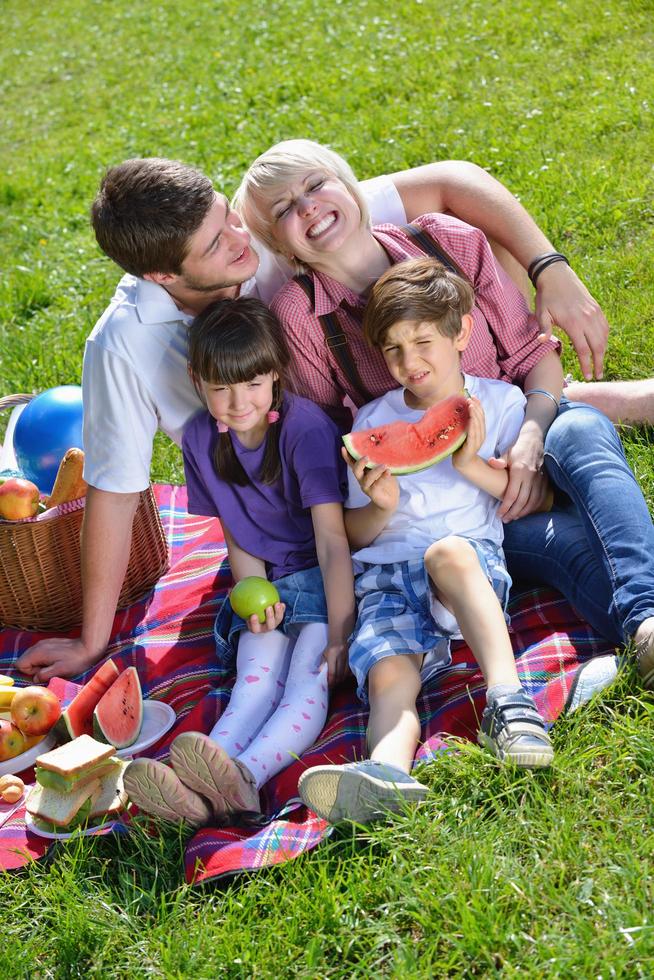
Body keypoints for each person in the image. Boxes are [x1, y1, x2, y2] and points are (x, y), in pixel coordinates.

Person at [13, 150, 630, 683]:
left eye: (229, 215)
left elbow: (453, 181)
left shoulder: (284, 223)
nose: (238, 239)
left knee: (566, 425)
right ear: (164, 275)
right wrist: (94, 639)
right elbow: (115, 490)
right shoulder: (123, 343)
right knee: (563, 535)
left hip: (438, 434)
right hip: (347, 512)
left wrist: (552, 269)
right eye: (216, 243)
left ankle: (606, 432)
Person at [233, 139, 654, 687]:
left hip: (522, 427)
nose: (307, 206)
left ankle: (646, 616)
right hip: (454, 516)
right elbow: (336, 448)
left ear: (351, 187)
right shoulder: (299, 317)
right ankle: (645, 630)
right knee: (571, 541)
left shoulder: (448, 240)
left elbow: (534, 357)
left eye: (315, 186)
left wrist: (530, 437)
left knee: (583, 428)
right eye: (284, 210)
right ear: (280, 247)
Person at [298, 258, 555, 823]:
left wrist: (470, 464)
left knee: (448, 552)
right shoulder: (370, 420)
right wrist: (380, 506)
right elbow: (354, 532)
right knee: (389, 672)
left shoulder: (502, 404)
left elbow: (530, 495)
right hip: (385, 575)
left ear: (461, 332)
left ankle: (510, 704)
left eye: (422, 342)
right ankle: (386, 776)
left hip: (465, 575)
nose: (408, 362)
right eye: (392, 349)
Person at [123, 297, 354, 826]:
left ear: (275, 373)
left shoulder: (305, 430)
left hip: (326, 580)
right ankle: (197, 784)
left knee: (305, 679)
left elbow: (333, 540)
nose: (237, 401)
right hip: (266, 582)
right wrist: (254, 597)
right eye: (221, 387)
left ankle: (246, 778)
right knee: (254, 678)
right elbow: (238, 533)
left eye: (251, 383)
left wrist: (342, 632)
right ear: (197, 380)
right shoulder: (202, 439)